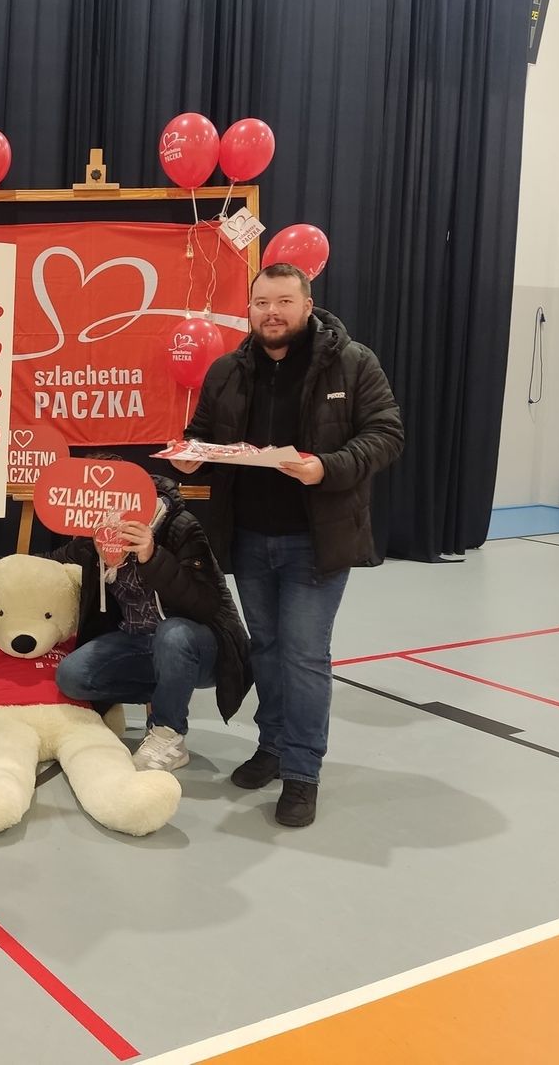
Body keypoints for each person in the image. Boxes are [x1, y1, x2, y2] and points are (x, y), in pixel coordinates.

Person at [172, 262, 403, 827]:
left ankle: (302, 771)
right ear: (249, 309)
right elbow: (202, 435)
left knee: (303, 655)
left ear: (307, 305)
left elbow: (386, 433)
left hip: (316, 541)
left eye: (283, 302)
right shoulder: (227, 370)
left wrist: (327, 467)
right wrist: (191, 456)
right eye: (261, 303)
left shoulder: (354, 361)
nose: (271, 313)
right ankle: (272, 745)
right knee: (269, 650)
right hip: (249, 539)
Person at [46, 471, 253, 770]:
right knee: (72, 676)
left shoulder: (179, 526)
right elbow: (51, 560)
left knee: (172, 634)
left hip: (202, 646)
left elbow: (206, 606)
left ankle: (169, 734)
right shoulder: (95, 535)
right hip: (137, 641)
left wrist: (152, 556)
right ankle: (169, 689)